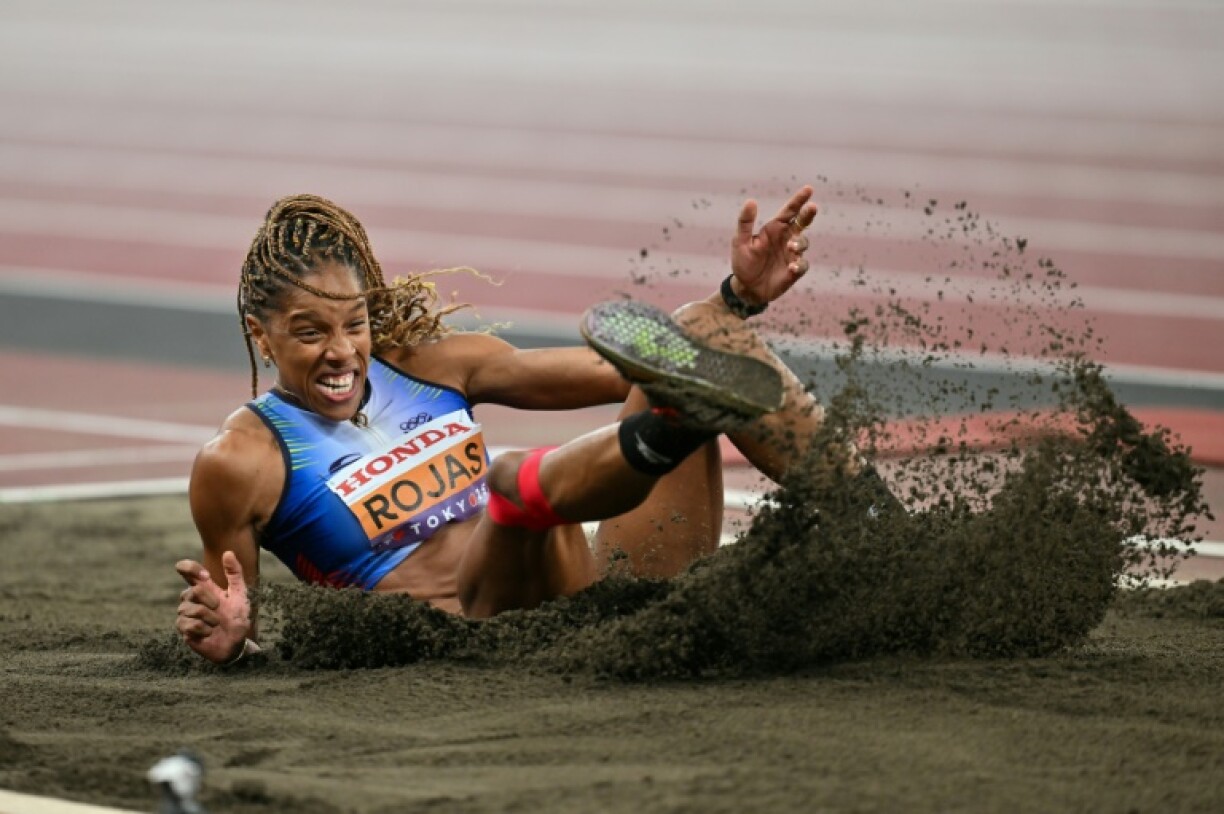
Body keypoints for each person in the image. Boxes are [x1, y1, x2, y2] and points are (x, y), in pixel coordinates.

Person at [174, 184, 855, 666]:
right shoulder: (242, 461)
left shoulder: (433, 368)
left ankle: (882, 532)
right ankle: (671, 431)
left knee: (700, 336)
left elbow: (628, 366)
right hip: (479, 639)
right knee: (510, 482)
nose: (342, 351)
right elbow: (241, 628)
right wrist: (234, 645)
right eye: (308, 332)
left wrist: (736, 300)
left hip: (589, 603)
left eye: (355, 324)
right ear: (261, 338)